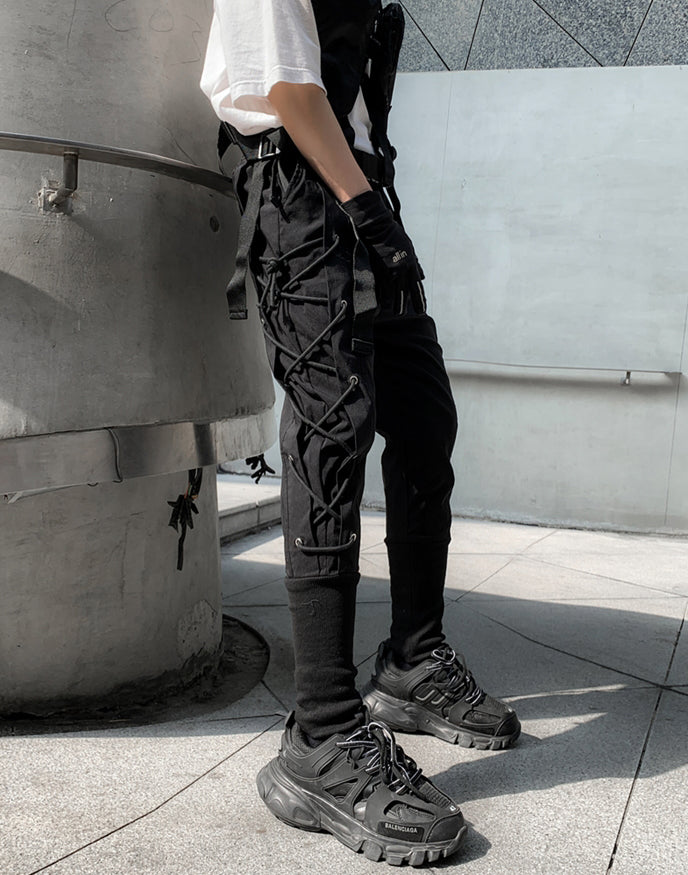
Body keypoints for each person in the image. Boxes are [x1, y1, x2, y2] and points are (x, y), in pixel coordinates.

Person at [200, 0, 521, 864]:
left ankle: (413, 659)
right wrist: (366, 209)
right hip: (300, 192)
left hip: (360, 189)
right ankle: (323, 733)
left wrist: (378, 209)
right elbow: (287, 89)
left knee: (423, 417)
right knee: (331, 428)